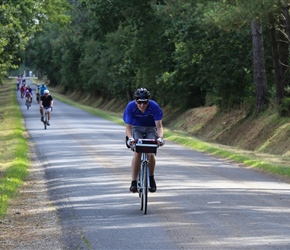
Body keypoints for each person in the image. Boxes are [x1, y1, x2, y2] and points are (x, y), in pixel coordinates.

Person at [123, 87, 165, 193]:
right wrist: (130, 138)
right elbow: (128, 127)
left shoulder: (154, 106)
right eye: (139, 102)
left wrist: (159, 138)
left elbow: (159, 127)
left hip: (151, 128)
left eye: (145, 102)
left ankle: (151, 178)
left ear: (148, 101)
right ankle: (133, 181)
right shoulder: (130, 107)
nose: (142, 105)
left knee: (150, 152)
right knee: (137, 151)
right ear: (135, 101)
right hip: (136, 128)